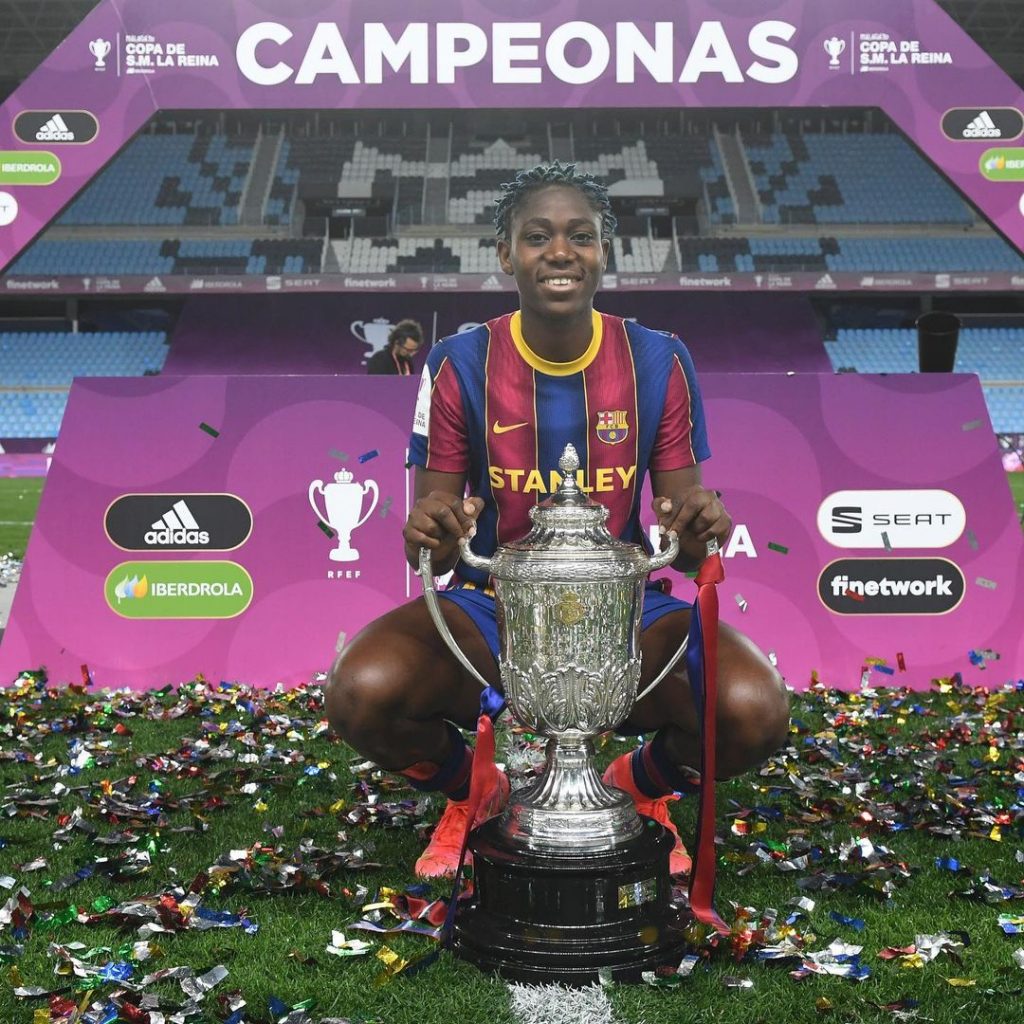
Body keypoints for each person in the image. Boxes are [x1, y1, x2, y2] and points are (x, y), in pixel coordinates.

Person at [327, 162, 789, 879]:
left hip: (624, 609)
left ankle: (638, 788)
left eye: (581, 235)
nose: (561, 251)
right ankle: (478, 794)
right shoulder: (458, 363)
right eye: (537, 236)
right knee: (362, 693)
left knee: (752, 711)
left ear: (606, 251)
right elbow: (434, 533)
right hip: (493, 610)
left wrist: (699, 531)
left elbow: (684, 544)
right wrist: (437, 529)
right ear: (507, 255)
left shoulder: (659, 359)